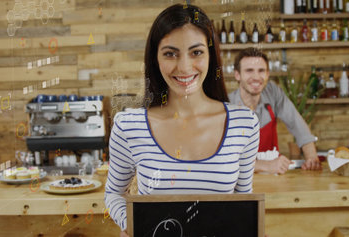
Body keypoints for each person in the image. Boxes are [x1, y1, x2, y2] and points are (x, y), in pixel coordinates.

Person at [104, 5, 259, 236]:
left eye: (196, 52)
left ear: (211, 56)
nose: (184, 67)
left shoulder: (244, 123)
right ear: (155, 58)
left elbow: (242, 200)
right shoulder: (129, 125)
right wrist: (132, 224)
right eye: (170, 53)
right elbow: (114, 193)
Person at [228, 47, 321, 174]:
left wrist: (311, 156)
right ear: (237, 75)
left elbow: (295, 122)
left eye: (261, 71)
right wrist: (265, 165)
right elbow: (225, 160)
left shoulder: (272, 92)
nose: (256, 77)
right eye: (249, 71)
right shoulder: (227, 106)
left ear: (267, 74)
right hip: (238, 182)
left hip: (273, 178)